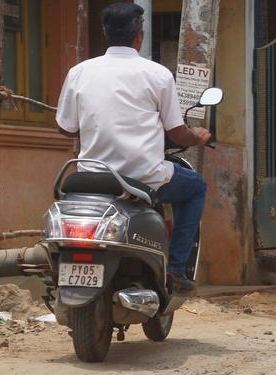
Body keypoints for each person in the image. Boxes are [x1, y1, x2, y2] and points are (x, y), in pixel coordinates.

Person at [55, 3, 212, 292]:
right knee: (197, 187)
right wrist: (198, 137)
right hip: (143, 177)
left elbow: (65, 128)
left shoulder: (79, 72)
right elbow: (177, 133)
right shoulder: (157, 74)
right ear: (138, 35)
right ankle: (176, 269)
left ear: (105, 34)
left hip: (93, 176)